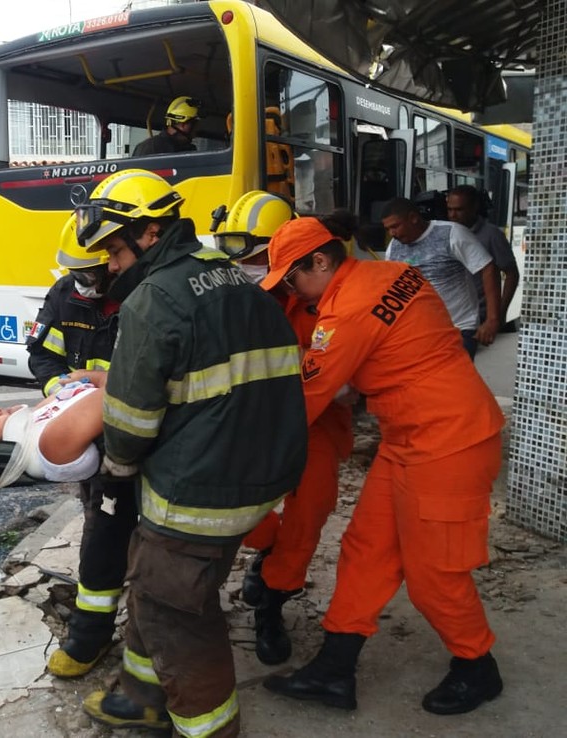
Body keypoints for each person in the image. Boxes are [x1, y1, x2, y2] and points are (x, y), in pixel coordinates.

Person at [75, 169, 308, 736]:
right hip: (259, 470)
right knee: (155, 580)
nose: (109, 263)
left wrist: (114, 468)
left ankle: (208, 726)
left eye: (113, 247)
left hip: (201, 488)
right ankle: (141, 694)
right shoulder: (232, 280)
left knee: (174, 610)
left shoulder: (155, 301)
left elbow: (130, 425)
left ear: (150, 233)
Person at [258, 216, 505, 716]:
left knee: (434, 575)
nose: (290, 289)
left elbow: (300, 404)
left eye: (291, 278)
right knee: (366, 549)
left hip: (449, 444)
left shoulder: (343, 315)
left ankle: (477, 666)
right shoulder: (387, 272)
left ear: (321, 261)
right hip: (410, 436)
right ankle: (334, 669)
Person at [213, 191, 354, 667]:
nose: (250, 267)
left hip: (316, 421)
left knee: (307, 516)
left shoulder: (327, 293)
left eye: (258, 256)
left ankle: (271, 606)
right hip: (252, 420)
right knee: (235, 505)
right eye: (242, 256)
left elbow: (341, 377)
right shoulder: (232, 291)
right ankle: (267, 553)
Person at [26, 214, 132, 678]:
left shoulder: (141, 297)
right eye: (76, 273)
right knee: (102, 530)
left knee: (148, 540)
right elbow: (42, 354)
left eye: (91, 273)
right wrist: (60, 392)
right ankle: (90, 636)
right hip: (90, 437)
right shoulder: (63, 294)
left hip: (138, 431)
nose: (83, 283)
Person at [381, 197, 500, 359]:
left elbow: (487, 267)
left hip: (458, 329)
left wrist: (492, 319)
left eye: (395, 226)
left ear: (413, 218)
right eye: (388, 229)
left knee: (452, 382)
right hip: (418, 333)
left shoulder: (451, 233)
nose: (392, 234)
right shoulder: (393, 248)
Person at [446, 184, 520, 331]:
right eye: (449, 210)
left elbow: (511, 274)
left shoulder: (492, 235)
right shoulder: (445, 232)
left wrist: (499, 313)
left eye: (459, 210)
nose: (453, 215)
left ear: (474, 207)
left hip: (478, 316)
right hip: (451, 315)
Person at [132, 96, 200, 157]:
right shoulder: (151, 148)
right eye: (194, 126)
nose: (195, 133)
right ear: (183, 125)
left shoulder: (188, 149)